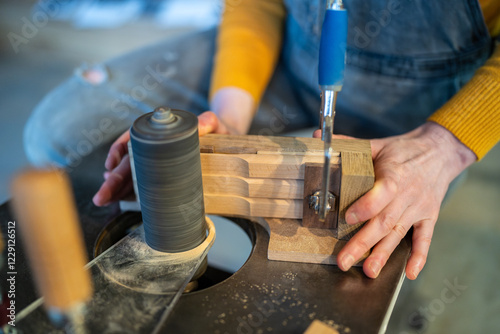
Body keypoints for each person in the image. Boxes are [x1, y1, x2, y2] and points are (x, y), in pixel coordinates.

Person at [25, 0, 500, 280]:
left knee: (369, 245)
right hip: (286, 55)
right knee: (63, 131)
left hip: (422, 115)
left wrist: (447, 145)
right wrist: (227, 121)